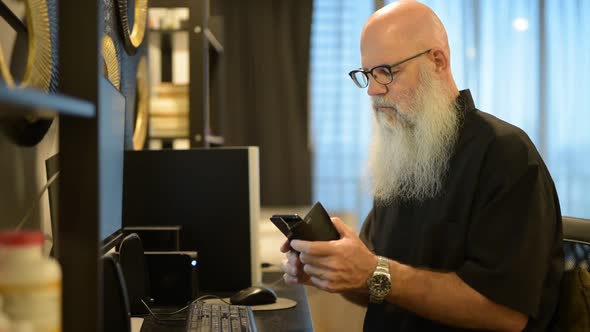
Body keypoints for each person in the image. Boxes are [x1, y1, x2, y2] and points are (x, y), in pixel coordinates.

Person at [280, 1, 564, 331]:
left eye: (386, 71)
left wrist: (375, 272)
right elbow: (377, 289)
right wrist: (333, 269)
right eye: (367, 74)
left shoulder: (504, 153)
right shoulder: (400, 152)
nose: (373, 90)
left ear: (438, 62)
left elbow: (506, 314)